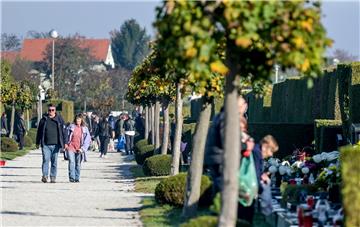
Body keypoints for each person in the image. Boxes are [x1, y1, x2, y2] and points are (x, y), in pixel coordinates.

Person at [237, 135, 279, 224]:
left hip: (243, 190)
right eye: (271, 151)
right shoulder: (256, 153)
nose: (271, 154)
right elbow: (254, 174)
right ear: (265, 146)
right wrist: (261, 189)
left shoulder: (254, 151)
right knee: (245, 220)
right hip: (246, 191)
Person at [36, 104, 67, 183]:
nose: (51, 112)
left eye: (53, 110)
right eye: (49, 110)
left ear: (55, 111)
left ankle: (53, 177)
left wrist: (65, 143)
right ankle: (45, 176)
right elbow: (39, 131)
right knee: (45, 160)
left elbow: (64, 132)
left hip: (56, 144)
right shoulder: (43, 119)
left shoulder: (59, 119)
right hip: (46, 144)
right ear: (48, 110)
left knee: (54, 161)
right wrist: (37, 142)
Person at [64, 114, 91, 183]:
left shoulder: (85, 128)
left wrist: (82, 148)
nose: (78, 120)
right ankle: (72, 177)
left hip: (79, 148)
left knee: (78, 163)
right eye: (77, 119)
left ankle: (77, 177)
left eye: (79, 119)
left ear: (82, 120)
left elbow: (87, 140)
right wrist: (66, 144)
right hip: (71, 147)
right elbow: (66, 135)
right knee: (72, 162)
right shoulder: (71, 127)